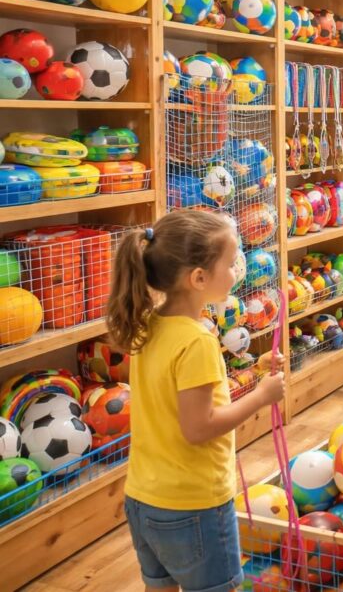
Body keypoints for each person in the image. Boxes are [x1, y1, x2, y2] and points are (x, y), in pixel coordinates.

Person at [106, 209, 286, 592]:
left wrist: (256, 372)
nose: (237, 270)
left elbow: (178, 402)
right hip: (193, 506)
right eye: (231, 263)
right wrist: (262, 396)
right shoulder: (197, 340)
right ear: (199, 278)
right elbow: (199, 427)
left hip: (143, 498)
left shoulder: (149, 325)